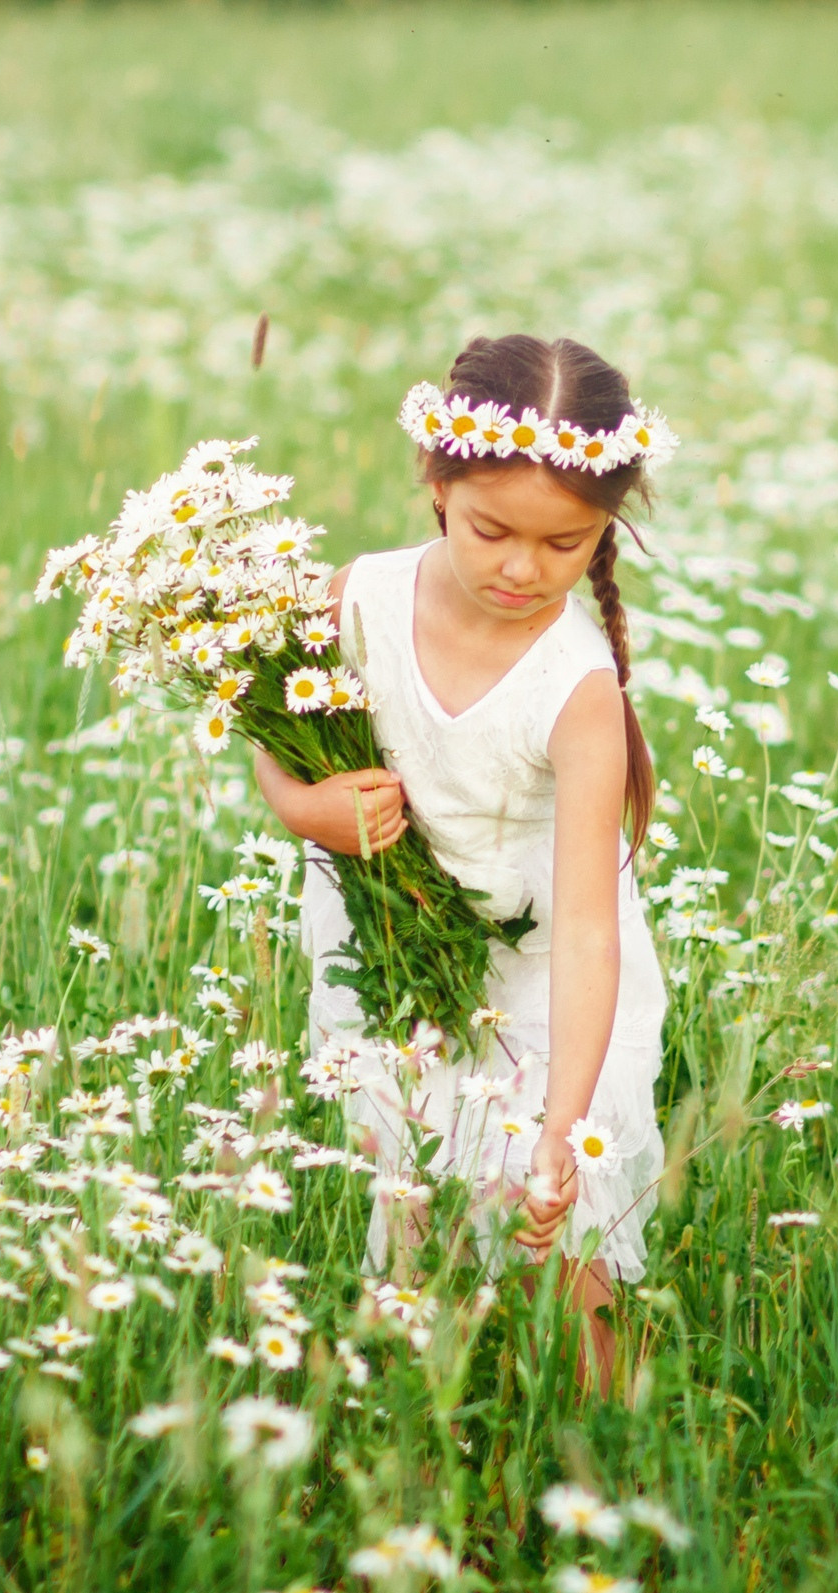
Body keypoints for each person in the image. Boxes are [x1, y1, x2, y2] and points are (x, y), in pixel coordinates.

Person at [251, 334, 674, 1389]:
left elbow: (583, 927)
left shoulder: (575, 688)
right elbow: (263, 711)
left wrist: (566, 1127)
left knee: (559, 1246)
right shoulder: (354, 599)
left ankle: (607, 1440)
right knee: (413, 1207)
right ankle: (413, 1434)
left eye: (566, 544)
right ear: (436, 483)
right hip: (394, 964)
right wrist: (306, 807)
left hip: (547, 993)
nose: (523, 569)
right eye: (493, 530)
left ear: (604, 532)